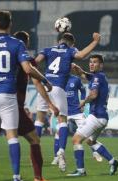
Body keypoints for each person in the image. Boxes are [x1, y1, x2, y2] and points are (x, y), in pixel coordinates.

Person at [0, 31, 58, 181]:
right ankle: (38, 178)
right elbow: (34, 78)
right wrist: (49, 100)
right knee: (33, 139)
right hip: (12, 104)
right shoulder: (23, 56)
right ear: (26, 43)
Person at [34, 31, 100, 171]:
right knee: (62, 121)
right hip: (58, 88)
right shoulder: (70, 50)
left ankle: (34, 151)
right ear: (72, 44)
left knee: (39, 120)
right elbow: (81, 55)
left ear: (59, 41)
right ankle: (61, 152)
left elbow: (34, 63)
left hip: (45, 85)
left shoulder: (47, 50)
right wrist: (95, 41)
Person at [67, 54, 118, 177]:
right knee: (91, 141)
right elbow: (84, 75)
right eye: (90, 62)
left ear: (101, 65)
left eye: (95, 62)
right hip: (103, 117)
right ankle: (113, 161)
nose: (91, 64)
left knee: (76, 140)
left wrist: (83, 102)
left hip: (96, 116)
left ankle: (81, 171)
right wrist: (77, 68)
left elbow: (94, 95)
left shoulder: (97, 78)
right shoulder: (99, 77)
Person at [51, 74, 103, 166]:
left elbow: (82, 90)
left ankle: (95, 152)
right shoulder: (58, 79)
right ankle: (56, 158)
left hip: (76, 110)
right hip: (63, 111)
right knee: (58, 134)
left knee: (87, 132)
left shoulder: (76, 79)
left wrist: (82, 101)